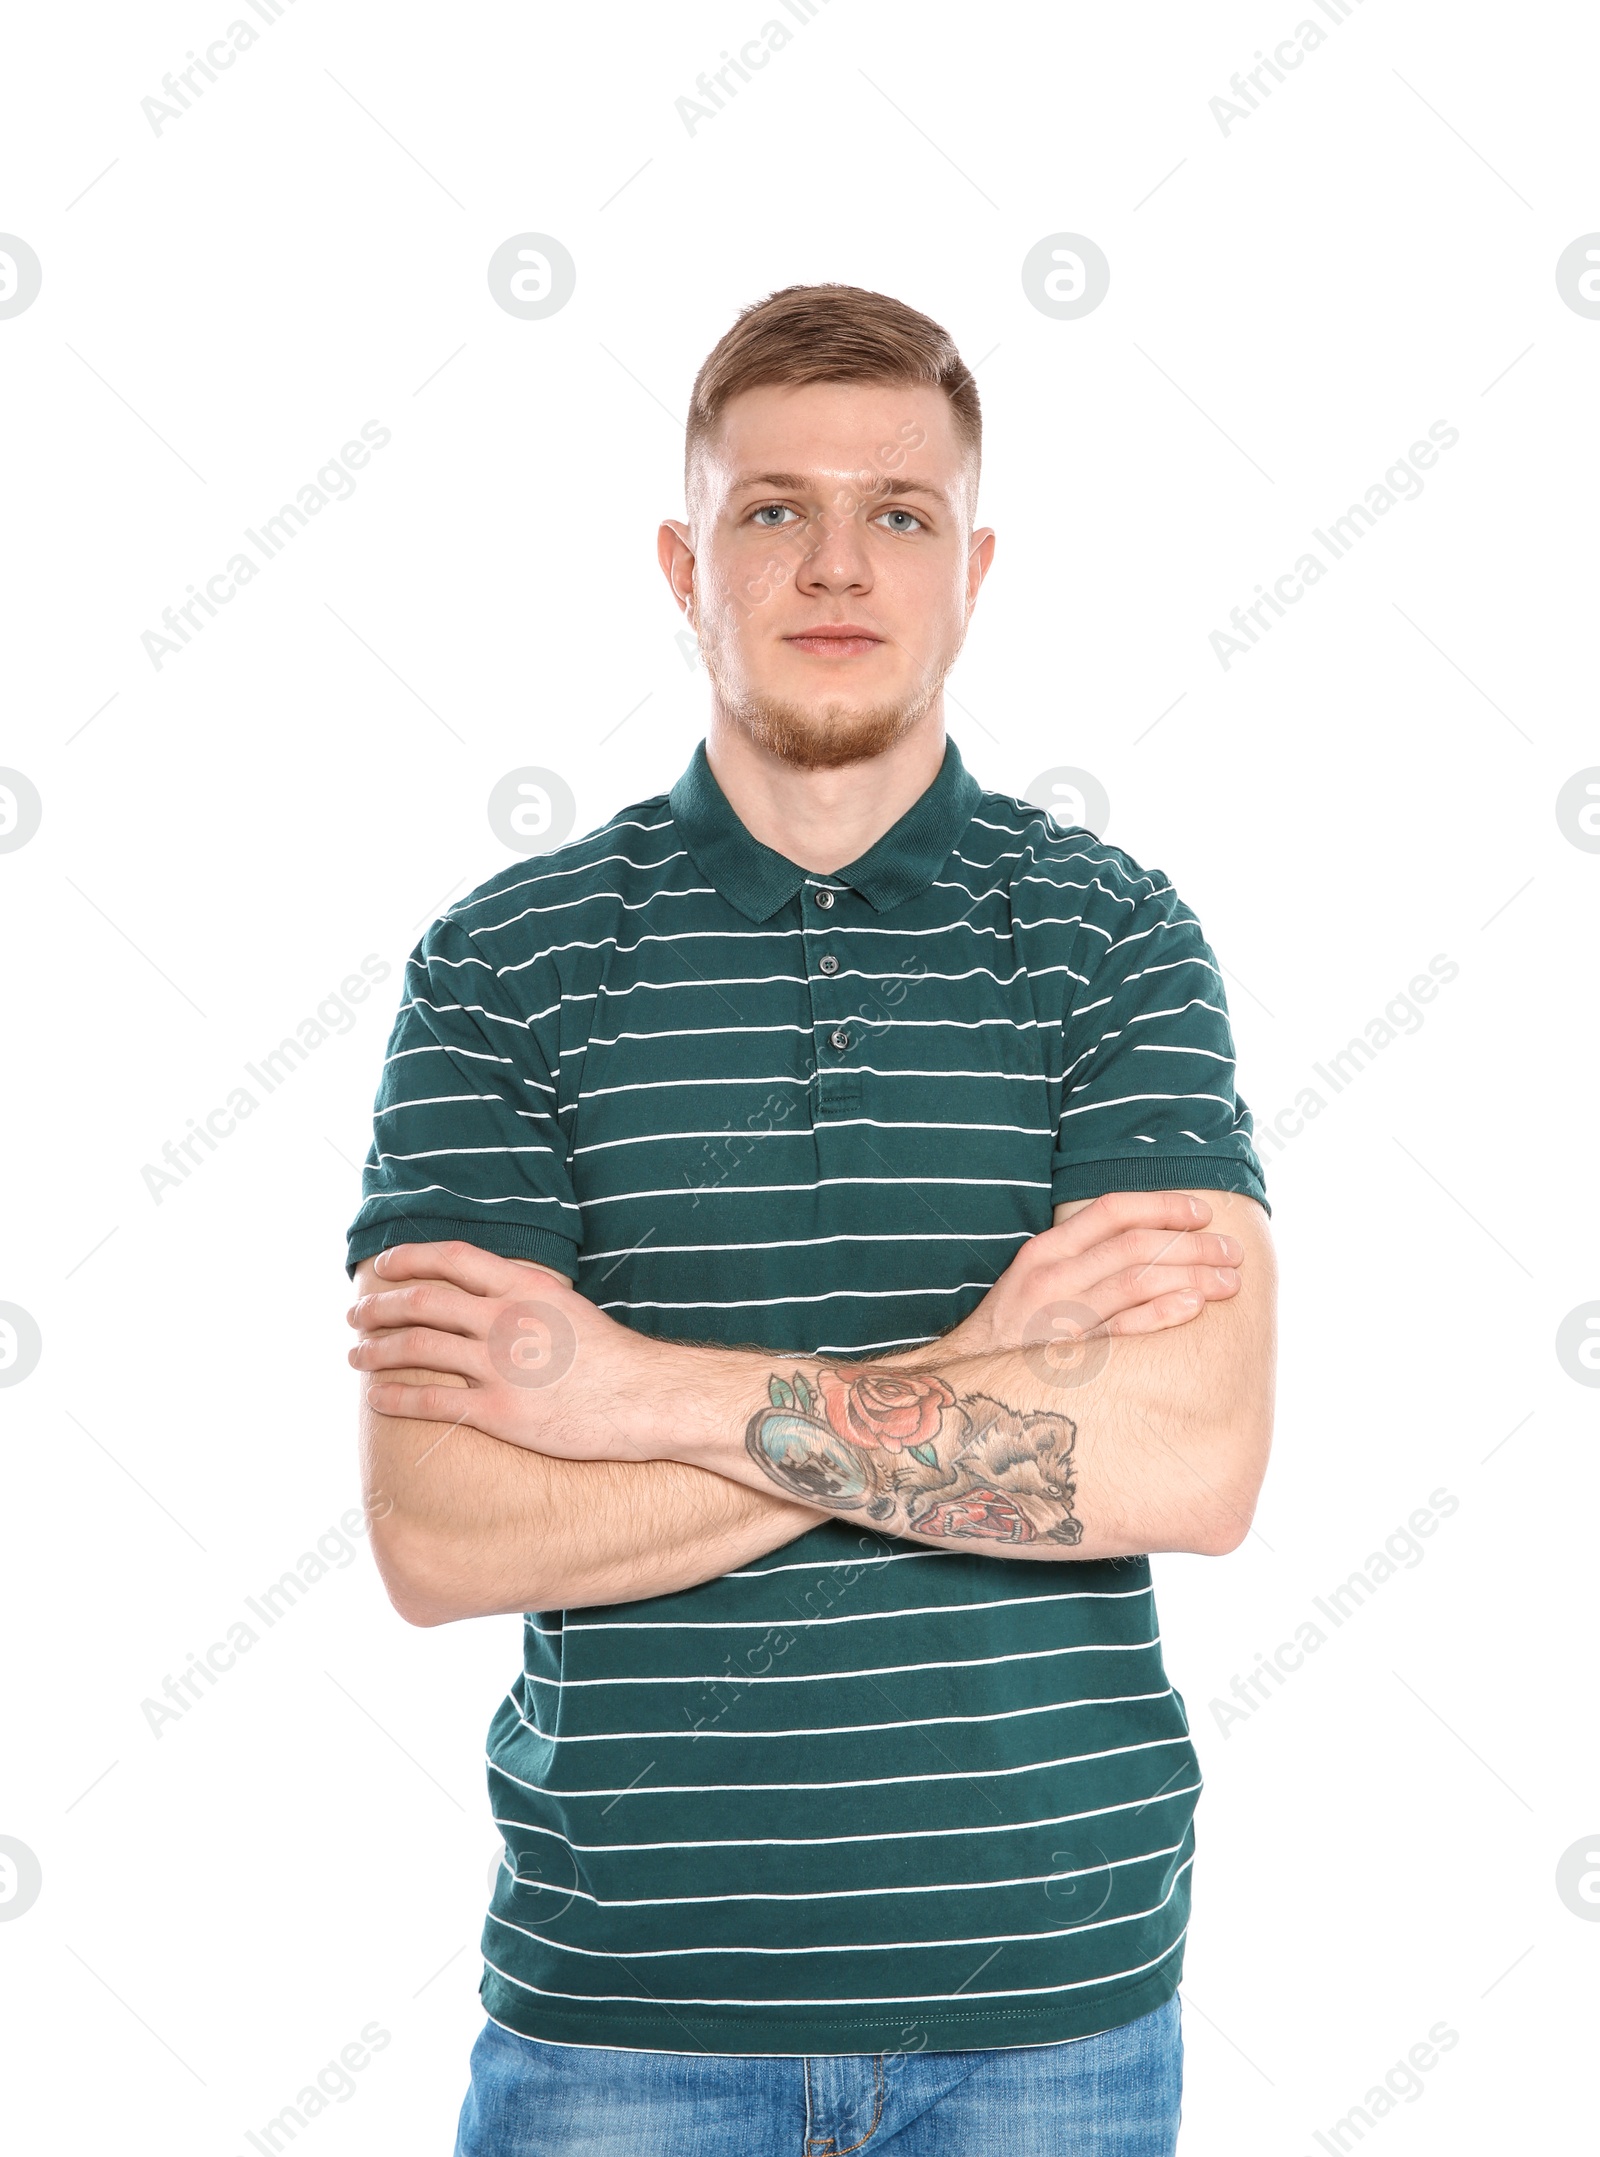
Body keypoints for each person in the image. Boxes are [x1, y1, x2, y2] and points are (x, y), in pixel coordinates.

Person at [344, 282, 1278, 2156]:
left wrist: (635, 1393)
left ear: (974, 565)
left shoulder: (1110, 943)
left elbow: (1194, 1460)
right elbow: (443, 1529)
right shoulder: (506, 970)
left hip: (1048, 2018)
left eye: (899, 513)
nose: (837, 562)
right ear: (685, 561)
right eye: (774, 510)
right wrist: (982, 1372)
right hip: (623, 2024)